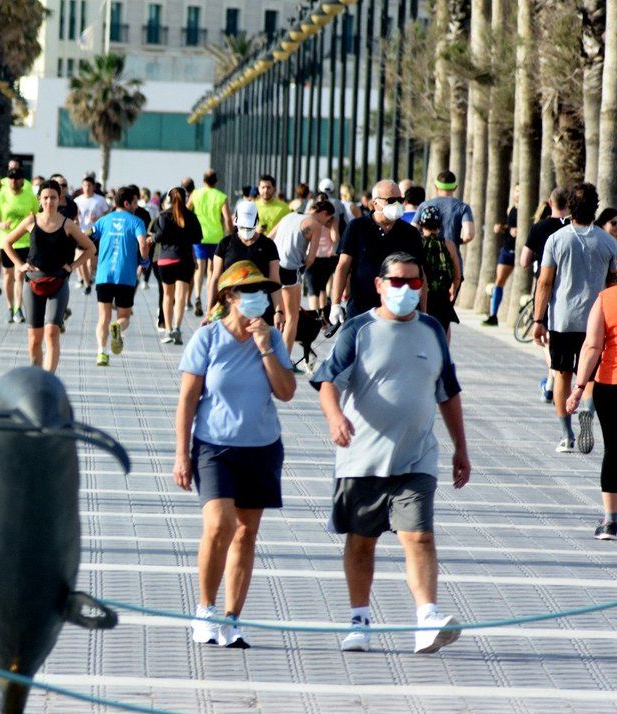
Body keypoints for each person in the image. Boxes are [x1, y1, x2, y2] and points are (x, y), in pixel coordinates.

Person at [312, 252, 470, 654]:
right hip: (362, 457)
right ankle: (359, 619)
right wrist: (335, 418)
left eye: (413, 283)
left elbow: (448, 393)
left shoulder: (432, 330)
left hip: (417, 456)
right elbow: (328, 381)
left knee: (419, 537)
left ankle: (427, 618)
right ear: (379, 285)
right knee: (361, 541)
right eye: (397, 281)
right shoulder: (358, 329)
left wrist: (461, 448)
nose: (405, 289)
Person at [175, 262, 295, 647]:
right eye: (250, 291)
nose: (259, 298)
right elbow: (188, 399)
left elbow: (286, 391)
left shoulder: (271, 337)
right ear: (230, 296)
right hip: (214, 446)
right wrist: (181, 454)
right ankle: (205, 610)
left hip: (262, 447)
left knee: (245, 533)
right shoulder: (207, 338)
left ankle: (231, 620)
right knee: (219, 524)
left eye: (263, 291)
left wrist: (265, 349)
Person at [533, 183, 617, 454]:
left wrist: (538, 320)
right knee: (591, 376)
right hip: (597, 321)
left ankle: (566, 435)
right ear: (595, 208)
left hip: (562, 319)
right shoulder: (608, 242)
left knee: (562, 375)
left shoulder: (556, 239)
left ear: (570, 206)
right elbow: (614, 283)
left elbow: (545, 282)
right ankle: (587, 413)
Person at [2, 181, 94, 373]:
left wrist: (73, 266)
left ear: (59, 198)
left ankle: (48, 378)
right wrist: (20, 265)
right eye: (45, 198)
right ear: (39, 199)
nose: (49, 201)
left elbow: (90, 248)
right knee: (34, 338)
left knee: (52, 333)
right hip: (33, 282)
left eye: (53, 197)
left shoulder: (68, 224)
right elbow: (7, 243)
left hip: (58, 282)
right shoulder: (31, 221)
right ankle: (37, 376)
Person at [329, 180, 425, 324]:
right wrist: (335, 304)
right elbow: (343, 267)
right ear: (375, 203)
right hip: (361, 311)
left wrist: (423, 312)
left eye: (400, 200)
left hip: (400, 314)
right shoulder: (357, 227)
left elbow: (422, 275)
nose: (396, 204)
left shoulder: (410, 233)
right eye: (391, 200)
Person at [568, 281, 617, 539]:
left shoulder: (606, 298)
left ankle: (610, 521)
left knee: (613, 450)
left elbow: (592, 346)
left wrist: (578, 388)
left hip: (611, 385)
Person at [522, 188, 572, 401]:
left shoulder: (539, 227)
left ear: (550, 202)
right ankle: (552, 383)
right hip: (567, 288)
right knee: (555, 336)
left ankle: (553, 380)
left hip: (544, 286)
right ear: (569, 204)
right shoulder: (573, 228)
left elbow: (524, 261)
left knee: (543, 337)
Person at [92, 186, 149, 366]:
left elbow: (87, 236)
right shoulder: (137, 222)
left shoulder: (103, 221)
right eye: (135, 202)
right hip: (125, 275)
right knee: (124, 316)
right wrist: (144, 260)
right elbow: (143, 244)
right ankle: (118, 327)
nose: (136, 206)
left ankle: (101, 353)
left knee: (103, 317)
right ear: (127, 203)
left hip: (104, 275)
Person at [271, 200, 337, 354]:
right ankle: (284, 359)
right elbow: (310, 258)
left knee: (277, 313)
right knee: (292, 318)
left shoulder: (288, 216)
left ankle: (271, 353)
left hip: (273, 267)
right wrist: (301, 269)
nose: (326, 224)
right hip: (290, 270)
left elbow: (269, 237)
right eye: (328, 220)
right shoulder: (315, 225)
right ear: (324, 214)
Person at [209, 202, 282, 322]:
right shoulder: (225, 244)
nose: (246, 231)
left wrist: (279, 311)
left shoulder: (268, 245)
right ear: (236, 221)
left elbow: (275, 280)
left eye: (250, 228)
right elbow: (215, 278)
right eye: (242, 227)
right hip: (231, 310)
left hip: (260, 310)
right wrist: (210, 311)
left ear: (256, 222)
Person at [151, 186, 202, 344]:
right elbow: (198, 238)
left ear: (169, 199)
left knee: (168, 296)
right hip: (185, 260)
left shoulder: (164, 216)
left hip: (166, 260)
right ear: (186, 198)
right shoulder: (191, 216)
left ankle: (168, 330)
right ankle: (177, 328)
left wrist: (152, 238)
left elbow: (159, 236)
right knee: (181, 296)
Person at [0, 168, 38, 323]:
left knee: (20, 275)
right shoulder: (1, 196)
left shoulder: (29, 196)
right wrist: (0, 225)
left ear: (22, 180)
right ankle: (10, 307)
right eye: (10, 178)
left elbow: (38, 215)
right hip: (7, 243)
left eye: (16, 178)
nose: (13, 181)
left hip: (25, 242)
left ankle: (18, 308)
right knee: (8, 276)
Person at [187, 169, 233, 317]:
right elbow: (227, 218)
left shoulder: (195, 194)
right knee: (212, 271)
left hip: (199, 236)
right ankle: (208, 300)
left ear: (203, 181)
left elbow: (186, 211)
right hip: (216, 238)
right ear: (216, 181)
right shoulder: (221, 196)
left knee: (199, 269)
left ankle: (197, 297)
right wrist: (231, 233)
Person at [414, 205, 462, 338]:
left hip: (421, 297)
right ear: (439, 225)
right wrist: (453, 290)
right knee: (441, 333)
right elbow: (457, 274)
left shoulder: (418, 244)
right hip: (442, 298)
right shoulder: (449, 245)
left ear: (421, 225)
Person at [416, 170, 475, 268]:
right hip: (452, 262)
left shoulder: (424, 205)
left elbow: (413, 229)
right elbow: (469, 234)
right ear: (455, 187)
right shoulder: (463, 207)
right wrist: (458, 241)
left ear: (436, 187)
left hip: (426, 261)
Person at [482, 185, 520, 326]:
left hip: (518, 251)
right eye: (516, 190)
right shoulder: (512, 209)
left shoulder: (526, 210)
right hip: (507, 249)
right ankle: (493, 315)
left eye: (520, 191)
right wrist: (502, 228)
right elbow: (510, 228)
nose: (518, 194)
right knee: (499, 281)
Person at [305, 192, 341, 313]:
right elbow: (335, 238)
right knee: (320, 288)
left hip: (315, 255)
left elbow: (305, 237)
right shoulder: (331, 219)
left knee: (314, 289)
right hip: (324, 256)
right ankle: (321, 315)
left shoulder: (310, 218)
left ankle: (317, 316)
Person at [74, 174, 110, 293]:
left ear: (93, 186)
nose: (87, 187)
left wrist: (98, 219)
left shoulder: (100, 199)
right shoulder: (77, 200)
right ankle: (86, 283)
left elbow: (107, 215)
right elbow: (73, 216)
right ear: (82, 186)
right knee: (81, 259)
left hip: (95, 232)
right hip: (82, 233)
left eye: (89, 185)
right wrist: (75, 221)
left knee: (92, 263)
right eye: (85, 185)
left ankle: (89, 278)